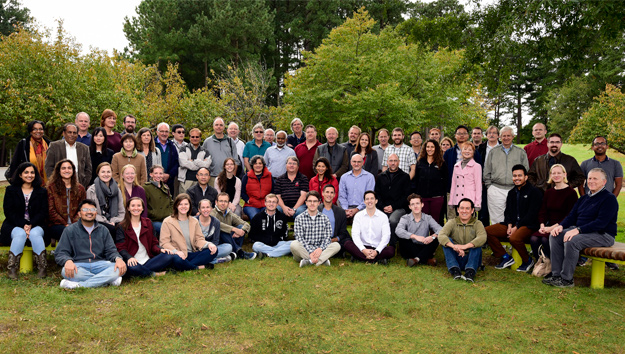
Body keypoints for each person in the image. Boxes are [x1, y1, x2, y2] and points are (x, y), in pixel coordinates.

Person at [545, 168, 618, 288]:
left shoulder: (609, 199)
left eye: (595, 178)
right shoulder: (584, 198)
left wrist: (577, 230)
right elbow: (571, 216)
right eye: (589, 178)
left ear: (604, 182)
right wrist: (561, 226)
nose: (591, 181)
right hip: (584, 232)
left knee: (572, 241)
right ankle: (556, 275)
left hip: (603, 234)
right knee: (555, 236)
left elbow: (601, 223)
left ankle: (567, 280)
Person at [54, 199, 127, 289]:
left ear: (96, 213)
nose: (89, 212)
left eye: (92, 210)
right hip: (79, 265)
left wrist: (118, 259)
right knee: (65, 271)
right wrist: (67, 261)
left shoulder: (103, 230)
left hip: (100, 264)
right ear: (79, 214)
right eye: (85, 210)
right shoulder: (70, 230)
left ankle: (78, 285)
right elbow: (60, 252)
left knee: (120, 268)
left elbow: (111, 250)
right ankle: (107, 281)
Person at [486, 164, 542, 272]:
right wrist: (509, 225)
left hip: (528, 225)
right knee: (487, 231)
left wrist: (516, 227)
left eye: (519, 175)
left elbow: (532, 214)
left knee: (514, 238)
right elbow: (508, 212)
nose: (517, 178)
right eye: (514, 176)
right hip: (513, 225)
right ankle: (505, 257)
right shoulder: (512, 192)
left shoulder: (534, 192)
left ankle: (527, 261)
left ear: (526, 177)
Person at [1, 162, 49, 279]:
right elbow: (8, 211)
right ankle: (12, 268)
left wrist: (31, 224)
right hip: (14, 224)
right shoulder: (11, 190)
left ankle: (42, 268)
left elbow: (43, 212)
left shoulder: (41, 191)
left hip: (37, 224)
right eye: (26, 172)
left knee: (35, 233)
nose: (29, 175)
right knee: (20, 233)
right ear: (20, 175)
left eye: (32, 172)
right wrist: (24, 224)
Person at [115, 197, 177, 277]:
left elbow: (154, 244)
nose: (136, 208)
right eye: (133, 206)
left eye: (139, 205)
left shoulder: (148, 223)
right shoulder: (122, 226)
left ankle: (141, 271)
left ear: (143, 208)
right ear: (128, 208)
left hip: (149, 260)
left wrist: (161, 250)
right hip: (133, 261)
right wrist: (129, 257)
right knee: (132, 267)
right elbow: (121, 248)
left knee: (169, 255)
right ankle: (154, 273)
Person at [529, 164, 577, 261]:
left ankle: (553, 264)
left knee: (545, 239)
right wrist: (542, 225)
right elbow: (543, 211)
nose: (556, 175)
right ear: (550, 175)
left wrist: (552, 228)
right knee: (534, 238)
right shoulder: (549, 192)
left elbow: (570, 216)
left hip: (563, 226)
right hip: (548, 225)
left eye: (559, 173)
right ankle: (541, 263)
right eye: (553, 173)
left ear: (565, 174)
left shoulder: (571, 193)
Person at [483, 126, 529, 224]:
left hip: (515, 188)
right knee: (497, 217)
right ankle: (499, 236)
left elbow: (526, 170)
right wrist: (489, 186)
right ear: (500, 137)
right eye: (504, 136)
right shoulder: (493, 152)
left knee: (514, 213)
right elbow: (486, 170)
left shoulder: (520, 152)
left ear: (513, 136)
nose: (506, 138)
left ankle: (512, 236)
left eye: (509, 135)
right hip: (496, 188)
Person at [159, 194, 218, 270]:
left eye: (186, 204)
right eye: (180, 204)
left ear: (190, 206)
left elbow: (199, 239)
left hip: (191, 254)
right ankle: (198, 267)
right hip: (177, 254)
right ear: (176, 206)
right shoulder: (167, 221)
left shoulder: (194, 221)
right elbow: (164, 242)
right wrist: (176, 251)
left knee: (213, 250)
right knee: (176, 259)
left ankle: (184, 266)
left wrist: (209, 244)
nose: (183, 206)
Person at [438, 198, 487, 282]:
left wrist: (465, 247)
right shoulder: (452, 222)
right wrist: (454, 247)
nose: (464, 211)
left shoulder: (477, 223)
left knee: (477, 243)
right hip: (456, 256)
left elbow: (482, 237)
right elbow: (441, 235)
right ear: (458, 209)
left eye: (467, 208)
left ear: (472, 210)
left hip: (472, 258)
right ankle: (455, 270)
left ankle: (470, 272)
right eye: (462, 208)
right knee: (446, 241)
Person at [291, 191, 340, 267]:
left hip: (320, 250)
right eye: (310, 201)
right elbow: (300, 238)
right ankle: (321, 260)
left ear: (319, 203)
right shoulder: (299, 218)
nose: (312, 203)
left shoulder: (325, 218)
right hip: (304, 250)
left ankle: (310, 261)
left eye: (315, 201)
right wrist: (310, 252)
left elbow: (327, 238)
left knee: (336, 245)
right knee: (294, 244)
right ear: (306, 203)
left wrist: (320, 249)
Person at [345, 190, 394, 264]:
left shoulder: (383, 216)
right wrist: (363, 250)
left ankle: (365, 258)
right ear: (364, 202)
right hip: (362, 247)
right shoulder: (358, 216)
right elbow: (355, 235)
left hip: (377, 247)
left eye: (372, 198)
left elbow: (386, 236)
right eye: (367, 199)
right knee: (347, 244)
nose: (369, 201)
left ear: (376, 201)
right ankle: (374, 259)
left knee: (391, 250)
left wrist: (377, 251)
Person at [396, 194, 442, 267]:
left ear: (422, 205)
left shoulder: (428, 218)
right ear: (410, 207)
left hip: (424, 245)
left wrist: (432, 237)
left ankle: (416, 259)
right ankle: (427, 260)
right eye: (413, 204)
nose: (415, 206)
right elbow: (398, 230)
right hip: (410, 247)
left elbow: (441, 229)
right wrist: (414, 236)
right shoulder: (405, 218)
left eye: (417, 203)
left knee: (436, 239)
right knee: (403, 238)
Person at [46, 159, 87, 244]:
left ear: (73, 170)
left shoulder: (80, 188)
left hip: (76, 223)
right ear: (59, 171)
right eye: (63, 168)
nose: (67, 170)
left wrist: (74, 223)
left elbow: (83, 208)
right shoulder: (51, 188)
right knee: (69, 232)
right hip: (56, 225)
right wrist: (65, 224)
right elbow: (50, 210)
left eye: (69, 168)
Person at [375, 153, 410, 244]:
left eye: (395, 161)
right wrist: (383, 207)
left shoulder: (405, 177)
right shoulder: (380, 177)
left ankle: (392, 244)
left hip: (399, 207)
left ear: (398, 162)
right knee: (377, 219)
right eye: (391, 161)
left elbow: (406, 197)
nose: (393, 163)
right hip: (383, 207)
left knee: (392, 220)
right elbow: (377, 195)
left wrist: (393, 207)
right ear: (387, 162)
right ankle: (376, 243)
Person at [45, 123, 92, 189]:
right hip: (58, 186)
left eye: (74, 133)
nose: (72, 135)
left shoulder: (84, 148)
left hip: (78, 186)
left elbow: (88, 169)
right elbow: (48, 167)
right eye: (69, 132)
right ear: (64, 133)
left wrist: (83, 184)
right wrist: (54, 183)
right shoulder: (54, 146)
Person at [211, 192, 255, 260]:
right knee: (223, 231)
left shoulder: (230, 214)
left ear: (228, 204)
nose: (223, 203)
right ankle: (239, 252)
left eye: (225, 201)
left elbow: (246, 224)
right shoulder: (212, 213)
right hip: (218, 241)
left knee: (240, 227)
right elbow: (218, 224)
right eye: (221, 201)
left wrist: (242, 230)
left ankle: (235, 251)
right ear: (216, 202)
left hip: (229, 240)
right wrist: (234, 229)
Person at [86, 162, 125, 238]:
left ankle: (121, 249)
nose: (106, 174)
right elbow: (91, 212)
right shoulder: (91, 190)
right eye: (103, 172)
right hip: (97, 220)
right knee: (111, 229)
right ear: (98, 173)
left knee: (123, 228)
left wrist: (113, 221)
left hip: (115, 220)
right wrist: (107, 222)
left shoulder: (116, 189)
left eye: (108, 172)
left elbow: (121, 211)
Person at [413, 139, 447, 225]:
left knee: (435, 222)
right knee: (423, 222)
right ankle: (424, 238)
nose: (430, 149)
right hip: (423, 197)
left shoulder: (441, 163)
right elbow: (416, 179)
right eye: (428, 147)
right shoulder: (420, 162)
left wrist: (442, 193)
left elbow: (446, 180)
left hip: (437, 197)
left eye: (432, 147)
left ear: (436, 148)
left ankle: (435, 238)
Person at [7, 120, 50, 185]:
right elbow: (15, 163)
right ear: (30, 131)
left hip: (47, 184)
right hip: (27, 183)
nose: (38, 131)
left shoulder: (50, 144)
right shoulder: (23, 144)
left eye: (40, 129)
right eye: (35, 129)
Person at [249, 194, 292, 258]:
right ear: (265, 203)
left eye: (274, 202)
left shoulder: (282, 217)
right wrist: (264, 239)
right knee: (256, 245)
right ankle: (280, 252)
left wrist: (277, 239)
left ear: (277, 204)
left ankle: (268, 254)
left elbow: (285, 234)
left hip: (278, 244)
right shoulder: (258, 217)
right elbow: (252, 234)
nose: (271, 204)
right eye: (269, 201)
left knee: (292, 244)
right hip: (263, 244)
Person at [443, 125, 483, 191]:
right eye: (459, 133)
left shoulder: (475, 152)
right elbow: (443, 170)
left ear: (468, 136)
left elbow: (479, 170)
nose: (462, 135)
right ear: (455, 135)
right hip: (453, 187)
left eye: (464, 133)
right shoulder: (449, 152)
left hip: (470, 188)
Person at [448, 143, 482, 218]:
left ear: (473, 152)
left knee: (469, 225)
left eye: (470, 150)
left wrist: (477, 203)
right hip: (458, 200)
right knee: (458, 224)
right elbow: (453, 185)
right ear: (461, 151)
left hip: (470, 200)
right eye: (465, 149)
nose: (467, 151)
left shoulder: (476, 166)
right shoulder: (456, 166)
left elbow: (478, 186)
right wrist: (451, 201)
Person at [203, 117, 239, 185]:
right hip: (212, 177)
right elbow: (203, 160)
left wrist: (232, 176)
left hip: (227, 176)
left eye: (221, 125)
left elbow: (235, 161)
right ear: (213, 127)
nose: (218, 127)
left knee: (227, 196)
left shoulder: (230, 141)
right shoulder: (207, 142)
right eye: (216, 125)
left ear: (224, 127)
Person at [476, 125, 500, 226]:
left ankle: (498, 233)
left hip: (499, 183)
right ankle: (483, 234)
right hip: (484, 183)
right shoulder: (480, 148)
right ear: (486, 135)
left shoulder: (503, 147)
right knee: (483, 211)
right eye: (489, 133)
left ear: (498, 135)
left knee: (498, 209)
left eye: (494, 133)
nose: (491, 135)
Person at [339, 154, 376, 219]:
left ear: (363, 163)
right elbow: (342, 196)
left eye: (359, 162)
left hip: (364, 208)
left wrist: (357, 209)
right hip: (347, 208)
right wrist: (346, 210)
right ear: (350, 162)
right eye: (354, 161)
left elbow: (369, 198)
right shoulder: (344, 177)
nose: (356, 164)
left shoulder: (369, 177)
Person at [196, 199, 232, 264]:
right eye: (203, 207)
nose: (205, 210)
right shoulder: (194, 221)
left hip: (211, 249)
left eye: (207, 207)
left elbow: (215, 241)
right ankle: (215, 260)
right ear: (199, 210)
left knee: (228, 247)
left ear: (211, 209)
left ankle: (206, 259)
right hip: (197, 249)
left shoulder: (216, 222)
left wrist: (211, 248)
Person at [319, 184, 350, 256]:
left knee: (339, 245)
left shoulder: (340, 212)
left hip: (333, 241)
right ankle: (323, 255)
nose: (329, 195)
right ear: (322, 193)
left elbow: (343, 232)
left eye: (331, 192)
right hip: (318, 240)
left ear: (334, 195)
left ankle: (321, 254)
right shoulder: (316, 210)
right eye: (327, 192)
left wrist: (334, 240)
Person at [178, 128, 212, 194]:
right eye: (192, 137)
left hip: (200, 181)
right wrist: (200, 164)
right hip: (186, 180)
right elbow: (183, 163)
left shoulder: (205, 151)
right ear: (189, 137)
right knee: (184, 200)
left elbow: (206, 165)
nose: (195, 138)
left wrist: (193, 161)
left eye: (197, 137)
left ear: (200, 138)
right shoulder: (183, 149)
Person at [143, 165, 174, 234]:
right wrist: (154, 213)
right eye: (156, 173)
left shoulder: (166, 187)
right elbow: (144, 206)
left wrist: (170, 213)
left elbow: (171, 203)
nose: (158, 175)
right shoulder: (146, 188)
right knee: (166, 230)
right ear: (151, 174)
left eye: (160, 173)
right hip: (154, 220)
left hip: (167, 218)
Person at [241, 155, 273, 220]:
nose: (258, 165)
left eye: (260, 163)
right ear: (252, 165)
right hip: (251, 205)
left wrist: (269, 201)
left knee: (268, 218)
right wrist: (248, 200)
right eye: (255, 163)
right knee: (255, 217)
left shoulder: (269, 176)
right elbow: (242, 192)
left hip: (266, 204)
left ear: (263, 165)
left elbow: (273, 191)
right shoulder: (247, 176)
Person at [154, 122, 179, 193]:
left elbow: (176, 163)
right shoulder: (152, 145)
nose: (164, 134)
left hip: (169, 181)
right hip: (154, 180)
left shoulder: (172, 146)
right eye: (162, 131)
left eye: (166, 131)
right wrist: (159, 174)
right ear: (157, 132)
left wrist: (169, 175)